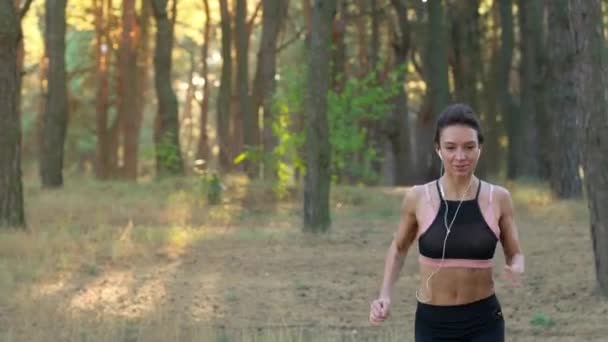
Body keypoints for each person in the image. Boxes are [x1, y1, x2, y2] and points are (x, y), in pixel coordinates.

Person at [369, 104, 525, 341]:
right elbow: (399, 248)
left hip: (484, 322)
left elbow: (515, 253)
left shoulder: (499, 198)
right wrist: (385, 296)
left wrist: (517, 266)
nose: (460, 156)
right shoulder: (418, 197)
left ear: (480, 149)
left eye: (469, 147)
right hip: (432, 324)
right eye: (451, 147)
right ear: (438, 149)